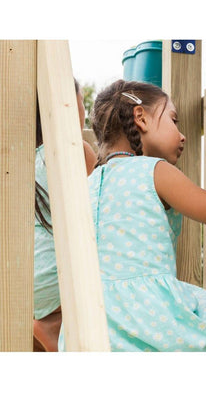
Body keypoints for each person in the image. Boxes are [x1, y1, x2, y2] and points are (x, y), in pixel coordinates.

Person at [58, 79, 206, 352]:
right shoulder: (154, 170)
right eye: (174, 120)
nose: (182, 134)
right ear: (141, 118)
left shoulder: (86, 185)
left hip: (87, 326)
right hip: (150, 321)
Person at [33, 78, 97, 352]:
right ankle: (50, 326)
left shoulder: (23, 159)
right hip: (55, 283)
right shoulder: (74, 151)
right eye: (83, 101)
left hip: (28, 282)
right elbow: (98, 210)